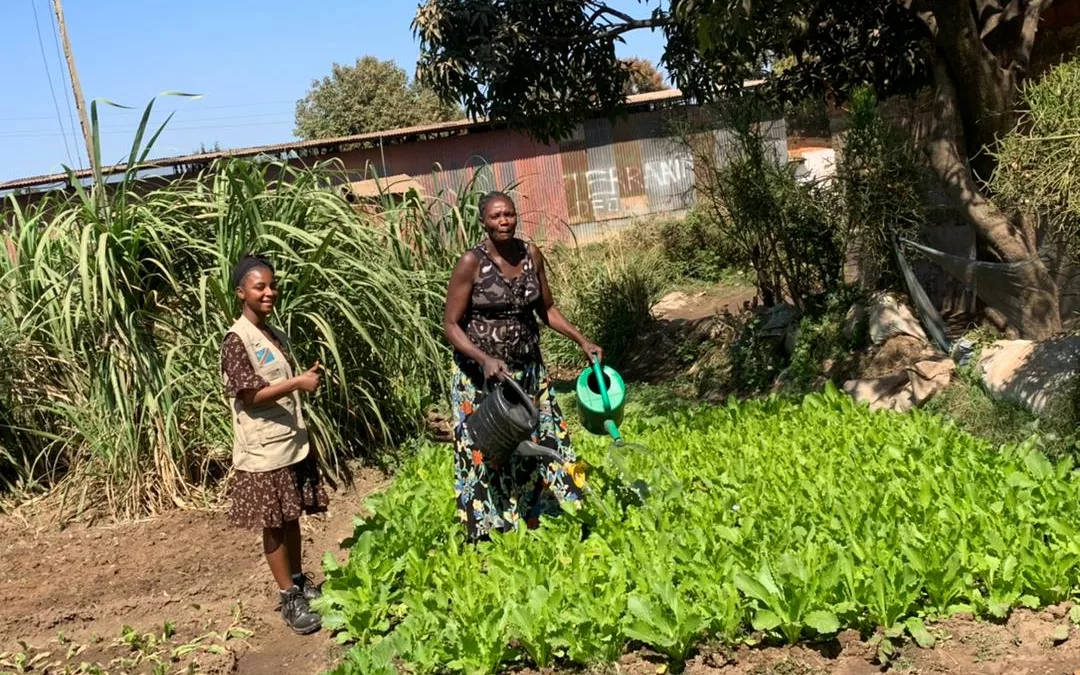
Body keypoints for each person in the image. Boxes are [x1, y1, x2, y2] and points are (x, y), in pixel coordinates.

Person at [443, 191, 603, 540]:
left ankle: (563, 511)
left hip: (529, 371)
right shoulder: (471, 262)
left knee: (551, 439)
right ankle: (486, 529)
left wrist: (581, 340)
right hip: (480, 379)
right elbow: (451, 324)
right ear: (483, 222)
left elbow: (547, 309)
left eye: (510, 215)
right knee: (486, 449)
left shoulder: (531, 255)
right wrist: (483, 358)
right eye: (496, 216)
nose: (504, 222)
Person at [220, 253, 328, 635]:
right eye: (259, 287)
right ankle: (288, 598)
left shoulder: (272, 334)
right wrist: (298, 382)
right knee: (274, 525)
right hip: (264, 449)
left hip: (287, 443)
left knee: (291, 516)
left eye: (271, 285)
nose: (269, 292)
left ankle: (298, 581)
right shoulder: (236, 340)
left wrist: (302, 378)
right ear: (240, 293)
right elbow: (248, 394)